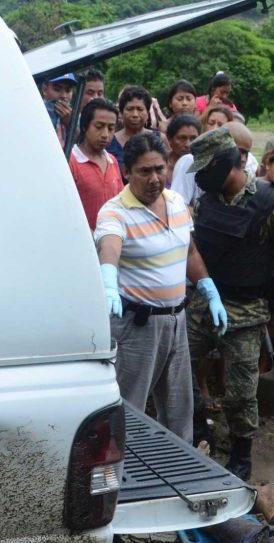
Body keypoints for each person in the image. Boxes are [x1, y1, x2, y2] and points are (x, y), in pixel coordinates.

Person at [186, 125, 274, 479]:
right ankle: (199, 428)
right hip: (204, 303)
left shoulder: (269, 202)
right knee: (177, 366)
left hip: (245, 310)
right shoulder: (206, 201)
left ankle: (241, 451)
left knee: (241, 390)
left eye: (210, 167)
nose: (205, 176)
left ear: (229, 162)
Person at [94, 135, 226, 443]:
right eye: (144, 171)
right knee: (128, 405)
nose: (155, 178)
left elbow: (189, 251)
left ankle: (178, 467)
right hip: (138, 325)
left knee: (179, 406)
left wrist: (209, 288)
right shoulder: (115, 211)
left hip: (177, 319)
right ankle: (120, 475)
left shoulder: (177, 201)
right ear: (127, 172)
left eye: (159, 168)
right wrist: (108, 282)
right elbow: (109, 248)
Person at [169, 111, 257, 205]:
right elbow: (178, 207)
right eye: (211, 123)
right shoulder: (189, 161)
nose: (242, 159)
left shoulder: (260, 190)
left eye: (245, 153)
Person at [69, 98, 121, 230]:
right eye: (99, 127)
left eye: (111, 128)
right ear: (85, 126)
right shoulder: (71, 161)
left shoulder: (112, 160)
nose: (105, 134)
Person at [107, 86, 160, 177]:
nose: (135, 115)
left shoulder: (160, 139)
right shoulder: (109, 141)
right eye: (130, 109)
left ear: (147, 112)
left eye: (140, 109)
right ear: (121, 112)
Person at [164, 113, 201, 187]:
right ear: (170, 139)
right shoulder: (160, 165)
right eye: (182, 138)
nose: (188, 144)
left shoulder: (202, 168)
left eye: (193, 138)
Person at [41, 72, 77, 141]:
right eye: (57, 89)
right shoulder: (37, 113)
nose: (64, 96)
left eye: (68, 90)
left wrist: (71, 123)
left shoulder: (75, 117)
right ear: (45, 89)